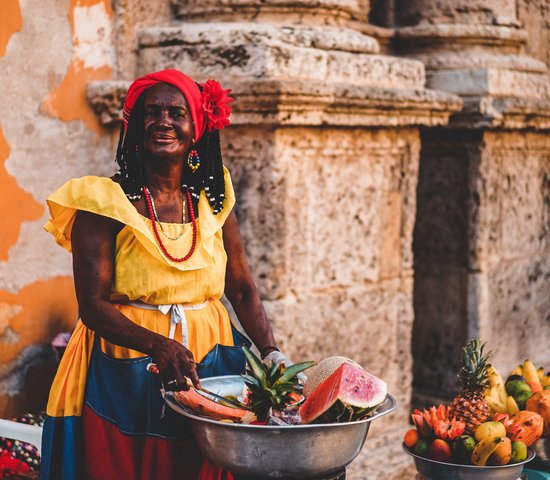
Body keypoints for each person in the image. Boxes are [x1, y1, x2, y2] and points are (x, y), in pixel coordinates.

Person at [40, 69, 290, 480]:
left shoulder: (212, 200)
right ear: (133, 127)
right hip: (126, 362)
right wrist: (159, 344)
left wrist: (272, 353)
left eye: (177, 112)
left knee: (199, 463)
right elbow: (93, 305)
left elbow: (242, 289)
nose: (163, 121)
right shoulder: (102, 203)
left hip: (211, 359)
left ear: (196, 129)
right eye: (151, 112)